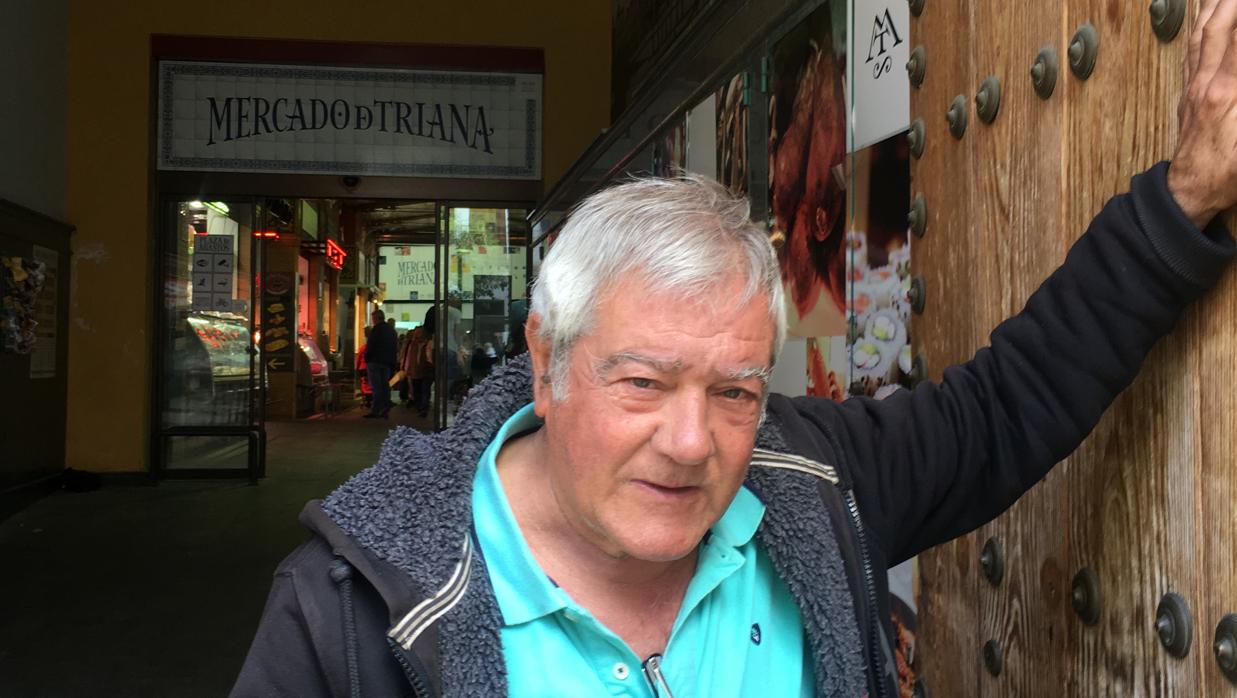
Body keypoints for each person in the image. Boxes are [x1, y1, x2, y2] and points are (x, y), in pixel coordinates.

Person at [233, 7, 1237, 696]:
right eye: (642, 380)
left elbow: (999, 410)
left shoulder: (808, 480)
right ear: (547, 359)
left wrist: (1182, 202)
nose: (690, 440)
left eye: (735, 390)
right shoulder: (356, 612)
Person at [362, 309, 398, 418]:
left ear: (376, 318)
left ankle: (376, 410)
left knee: (376, 386)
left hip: (375, 361)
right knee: (384, 385)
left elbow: (371, 346)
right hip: (386, 362)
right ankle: (385, 407)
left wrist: (367, 357)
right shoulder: (391, 330)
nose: (373, 321)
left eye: (373, 318)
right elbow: (394, 347)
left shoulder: (376, 330)